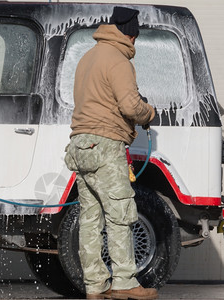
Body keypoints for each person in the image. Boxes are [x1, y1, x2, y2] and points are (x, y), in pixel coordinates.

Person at [64, 6, 158, 300]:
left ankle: (95, 285)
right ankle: (125, 282)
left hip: (80, 145)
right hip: (106, 146)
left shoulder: (87, 58)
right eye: (135, 39)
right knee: (120, 215)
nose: (134, 45)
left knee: (91, 219)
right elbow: (131, 106)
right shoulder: (117, 60)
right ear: (130, 35)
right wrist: (148, 114)